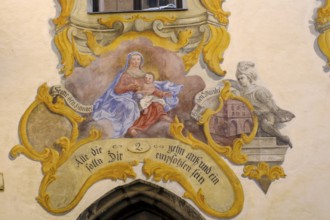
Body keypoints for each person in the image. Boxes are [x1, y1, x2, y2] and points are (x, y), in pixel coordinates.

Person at [92, 52, 182, 138]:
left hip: (142, 95)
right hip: (126, 96)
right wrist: (129, 87)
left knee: (155, 103)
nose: (135, 62)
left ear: (141, 61)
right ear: (129, 61)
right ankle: (131, 127)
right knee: (133, 106)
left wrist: (162, 93)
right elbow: (117, 90)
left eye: (138, 59)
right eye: (133, 59)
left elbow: (150, 88)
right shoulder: (125, 75)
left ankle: (160, 116)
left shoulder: (144, 75)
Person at [236, 61, 294, 147]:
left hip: (266, 114)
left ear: (249, 78)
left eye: (242, 78)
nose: (240, 81)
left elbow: (271, 106)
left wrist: (260, 112)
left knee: (265, 124)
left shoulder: (259, 91)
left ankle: (283, 138)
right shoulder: (241, 93)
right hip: (252, 117)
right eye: (239, 79)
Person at [128, 72, 181, 136]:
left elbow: (157, 92)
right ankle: (134, 128)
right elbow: (137, 93)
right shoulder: (142, 85)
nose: (147, 79)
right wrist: (144, 92)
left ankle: (162, 115)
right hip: (145, 100)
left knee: (157, 104)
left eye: (149, 78)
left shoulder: (153, 86)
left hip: (153, 99)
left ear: (153, 80)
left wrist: (164, 94)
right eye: (146, 78)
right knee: (145, 112)